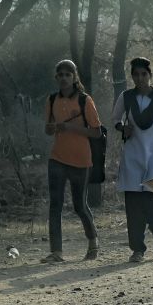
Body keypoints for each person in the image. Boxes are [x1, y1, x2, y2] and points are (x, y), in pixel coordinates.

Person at [112, 57, 153, 262]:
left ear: (150, 75)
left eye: (143, 74)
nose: (140, 78)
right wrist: (123, 128)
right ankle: (137, 249)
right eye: (136, 75)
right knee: (133, 203)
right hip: (132, 155)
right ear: (132, 77)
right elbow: (115, 119)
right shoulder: (126, 96)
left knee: (152, 199)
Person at [42, 59, 102, 263]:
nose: (64, 78)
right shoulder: (51, 100)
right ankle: (56, 252)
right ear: (56, 78)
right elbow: (48, 128)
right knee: (55, 205)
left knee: (79, 206)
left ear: (74, 77)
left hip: (80, 159)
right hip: (57, 157)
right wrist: (52, 128)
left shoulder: (85, 100)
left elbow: (96, 132)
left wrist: (71, 128)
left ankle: (93, 241)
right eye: (61, 75)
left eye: (68, 74)